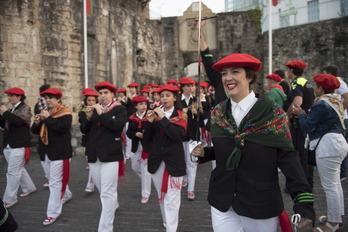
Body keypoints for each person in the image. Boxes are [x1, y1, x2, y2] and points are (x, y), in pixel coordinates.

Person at [191, 52, 315, 232]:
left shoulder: (272, 114)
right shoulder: (218, 113)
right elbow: (227, 149)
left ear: (249, 77)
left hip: (260, 204)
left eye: (235, 72)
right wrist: (206, 153)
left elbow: (288, 158)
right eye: (224, 73)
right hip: (222, 200)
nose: (228, 78)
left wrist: (303, 202)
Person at [293, 74, 347, 232]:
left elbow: (308, 126)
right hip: (338, 142)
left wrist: (301, 114)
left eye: (316, 86)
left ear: (321, 88)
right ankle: (336, 216)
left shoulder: (322, 104)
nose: (314, 89)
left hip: (328, 145)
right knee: (335, 184)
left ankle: (333, 223)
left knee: (330, 186)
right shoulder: (336, 100)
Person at [80, 81, 127, 232]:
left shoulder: (119, 109)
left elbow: (117, 127)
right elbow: (85, 130)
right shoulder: (94, 110)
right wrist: (87, 117)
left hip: (111, 154)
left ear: (113, 94)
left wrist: (101, 113)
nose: (102, 96)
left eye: (106, 93)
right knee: (103, 189)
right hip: (94, 154)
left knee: (107, 192)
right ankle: (114, 203)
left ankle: (105, 228)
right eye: (100, 93)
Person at [143, 84, 187, 232]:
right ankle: (166, 220)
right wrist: (148, 122)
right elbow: (146, 140)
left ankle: (171, 229)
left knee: (172, 199)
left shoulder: (181, 115)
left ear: (175, 98)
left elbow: (177, 135)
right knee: (162, 196)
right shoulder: (153, 115)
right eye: (162, 96)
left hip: (174, 161)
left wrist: (162, 118)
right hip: (157, 160)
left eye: (168, 95)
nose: (164, 98)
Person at [31, 88, 73, 226]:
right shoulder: (45, 112)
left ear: (58, 99)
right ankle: (66, 194)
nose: (48, 100)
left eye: (51, 97)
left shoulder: (65, 112)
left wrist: (47, 118)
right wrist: (37, 122)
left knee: (54, 183)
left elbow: (62, 129)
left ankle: (52, 213)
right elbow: (34, 131)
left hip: (60, 152)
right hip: (45, 151)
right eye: (46, 98)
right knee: (52, 179)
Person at [0, 87, 36, 209]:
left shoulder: (25, 108)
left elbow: (18, 122)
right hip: (9, 143)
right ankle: (29, 187)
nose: (9, 97)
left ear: (19, 97)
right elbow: (4, 124)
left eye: (12, 95)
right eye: (9, 95)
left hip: (20, 144)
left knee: (12, 172)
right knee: (17, 168)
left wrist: (5, 113)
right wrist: (2, 114)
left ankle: (10, 199)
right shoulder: (11, 108)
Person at [285, 60, 315, 190]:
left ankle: (301, 185)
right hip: (306, 120)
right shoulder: (307, 83)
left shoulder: (296, 83)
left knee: (298, 154)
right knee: (305, 153)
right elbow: (313, 101)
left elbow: (297, 101)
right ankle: (308, 182)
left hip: (298, 123)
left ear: (291, 70)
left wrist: (288, 115)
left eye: (288, 69)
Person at [179, 77, 204, 200]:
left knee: (192, 162)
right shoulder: (178, 101)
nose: (191, 88)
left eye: (193, 86)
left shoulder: (197, 100)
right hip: (180, 135)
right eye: (188, 86)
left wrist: (198, 112)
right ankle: (184, 178)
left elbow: (204, 116)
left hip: (193, 135)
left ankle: (191, 190)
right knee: (182, 160)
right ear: (182, 87)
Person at [322, 65, 348, 181]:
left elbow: (347, 98)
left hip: (342, 119)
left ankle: (342, 172)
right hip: (339, 118)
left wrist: (339, 111)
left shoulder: (339, 83)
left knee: (341, 146)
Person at [127, 96, 152, 204]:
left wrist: (145, 134)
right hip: (136, 146)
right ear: (136, 106)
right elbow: (128, 132)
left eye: (145, 104)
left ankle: (145, 194)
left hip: (147, 147)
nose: (143, 106)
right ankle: (147, 182)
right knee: (135, 168)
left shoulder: (150, 117)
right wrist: (135, 134)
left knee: (145, 171)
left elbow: (153, 132)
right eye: (141, 104)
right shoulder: (131, 118)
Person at [78, 90, 99, 193]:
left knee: (94, 163)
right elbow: (83, 128)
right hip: (88, 140)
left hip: (98, 139)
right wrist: (88, 116)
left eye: (93, 100)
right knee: (91, 162)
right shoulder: (82, 112)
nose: (91, 102)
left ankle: (90, 185)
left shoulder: (99, 110)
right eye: (89, 100)